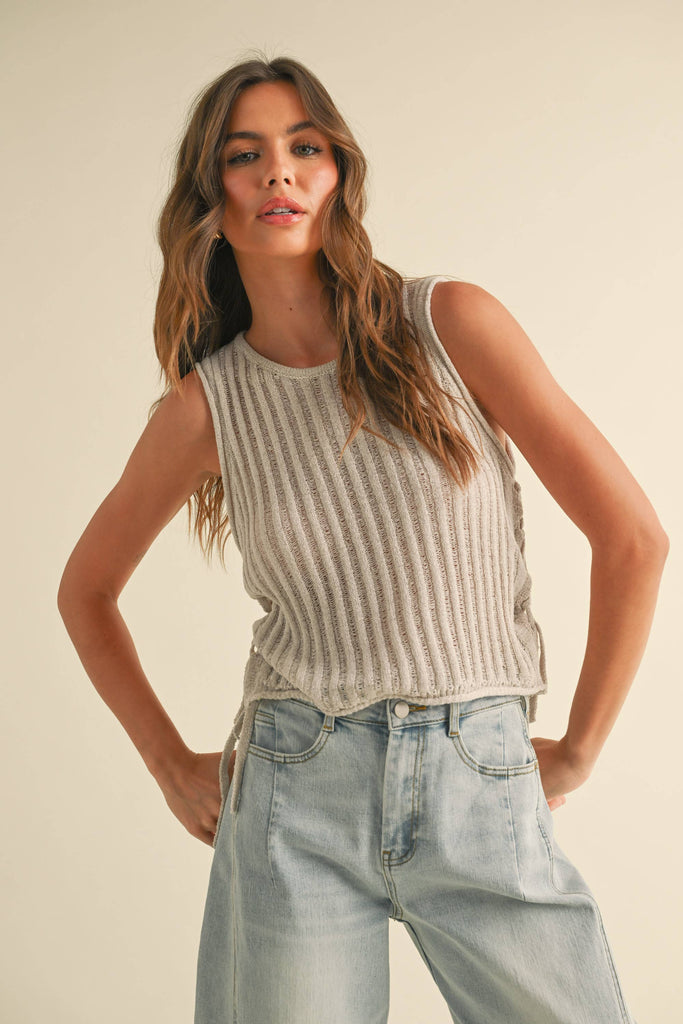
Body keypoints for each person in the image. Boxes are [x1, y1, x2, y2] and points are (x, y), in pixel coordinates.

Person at [57, 53, 667, 1024]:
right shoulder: (206, 408)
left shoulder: (447, 325)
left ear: (338, 174)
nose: (279, 173)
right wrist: (170, 763)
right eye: (245, 154)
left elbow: (630, 535)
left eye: (305, 148)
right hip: (296, 787)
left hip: (477, 769)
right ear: (210, 193)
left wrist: (579, 746)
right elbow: (84, 590)